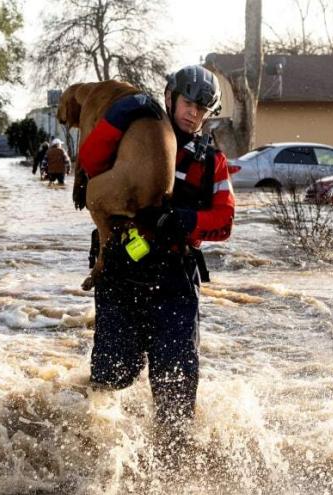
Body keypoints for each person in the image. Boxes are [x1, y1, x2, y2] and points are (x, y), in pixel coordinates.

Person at [77, 65, 235, 450]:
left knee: (177, 384)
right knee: (112, 372)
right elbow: (90, 162)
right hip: (120, 268)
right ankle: (101, 448)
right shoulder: (131, 134)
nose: (193, 113)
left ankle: (171, 462)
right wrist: (117, 118)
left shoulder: (210, 160)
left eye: (202, 108)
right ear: (169, 97)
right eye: (187, 102)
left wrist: (183, 220)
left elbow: (225, 220)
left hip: (175, 279)